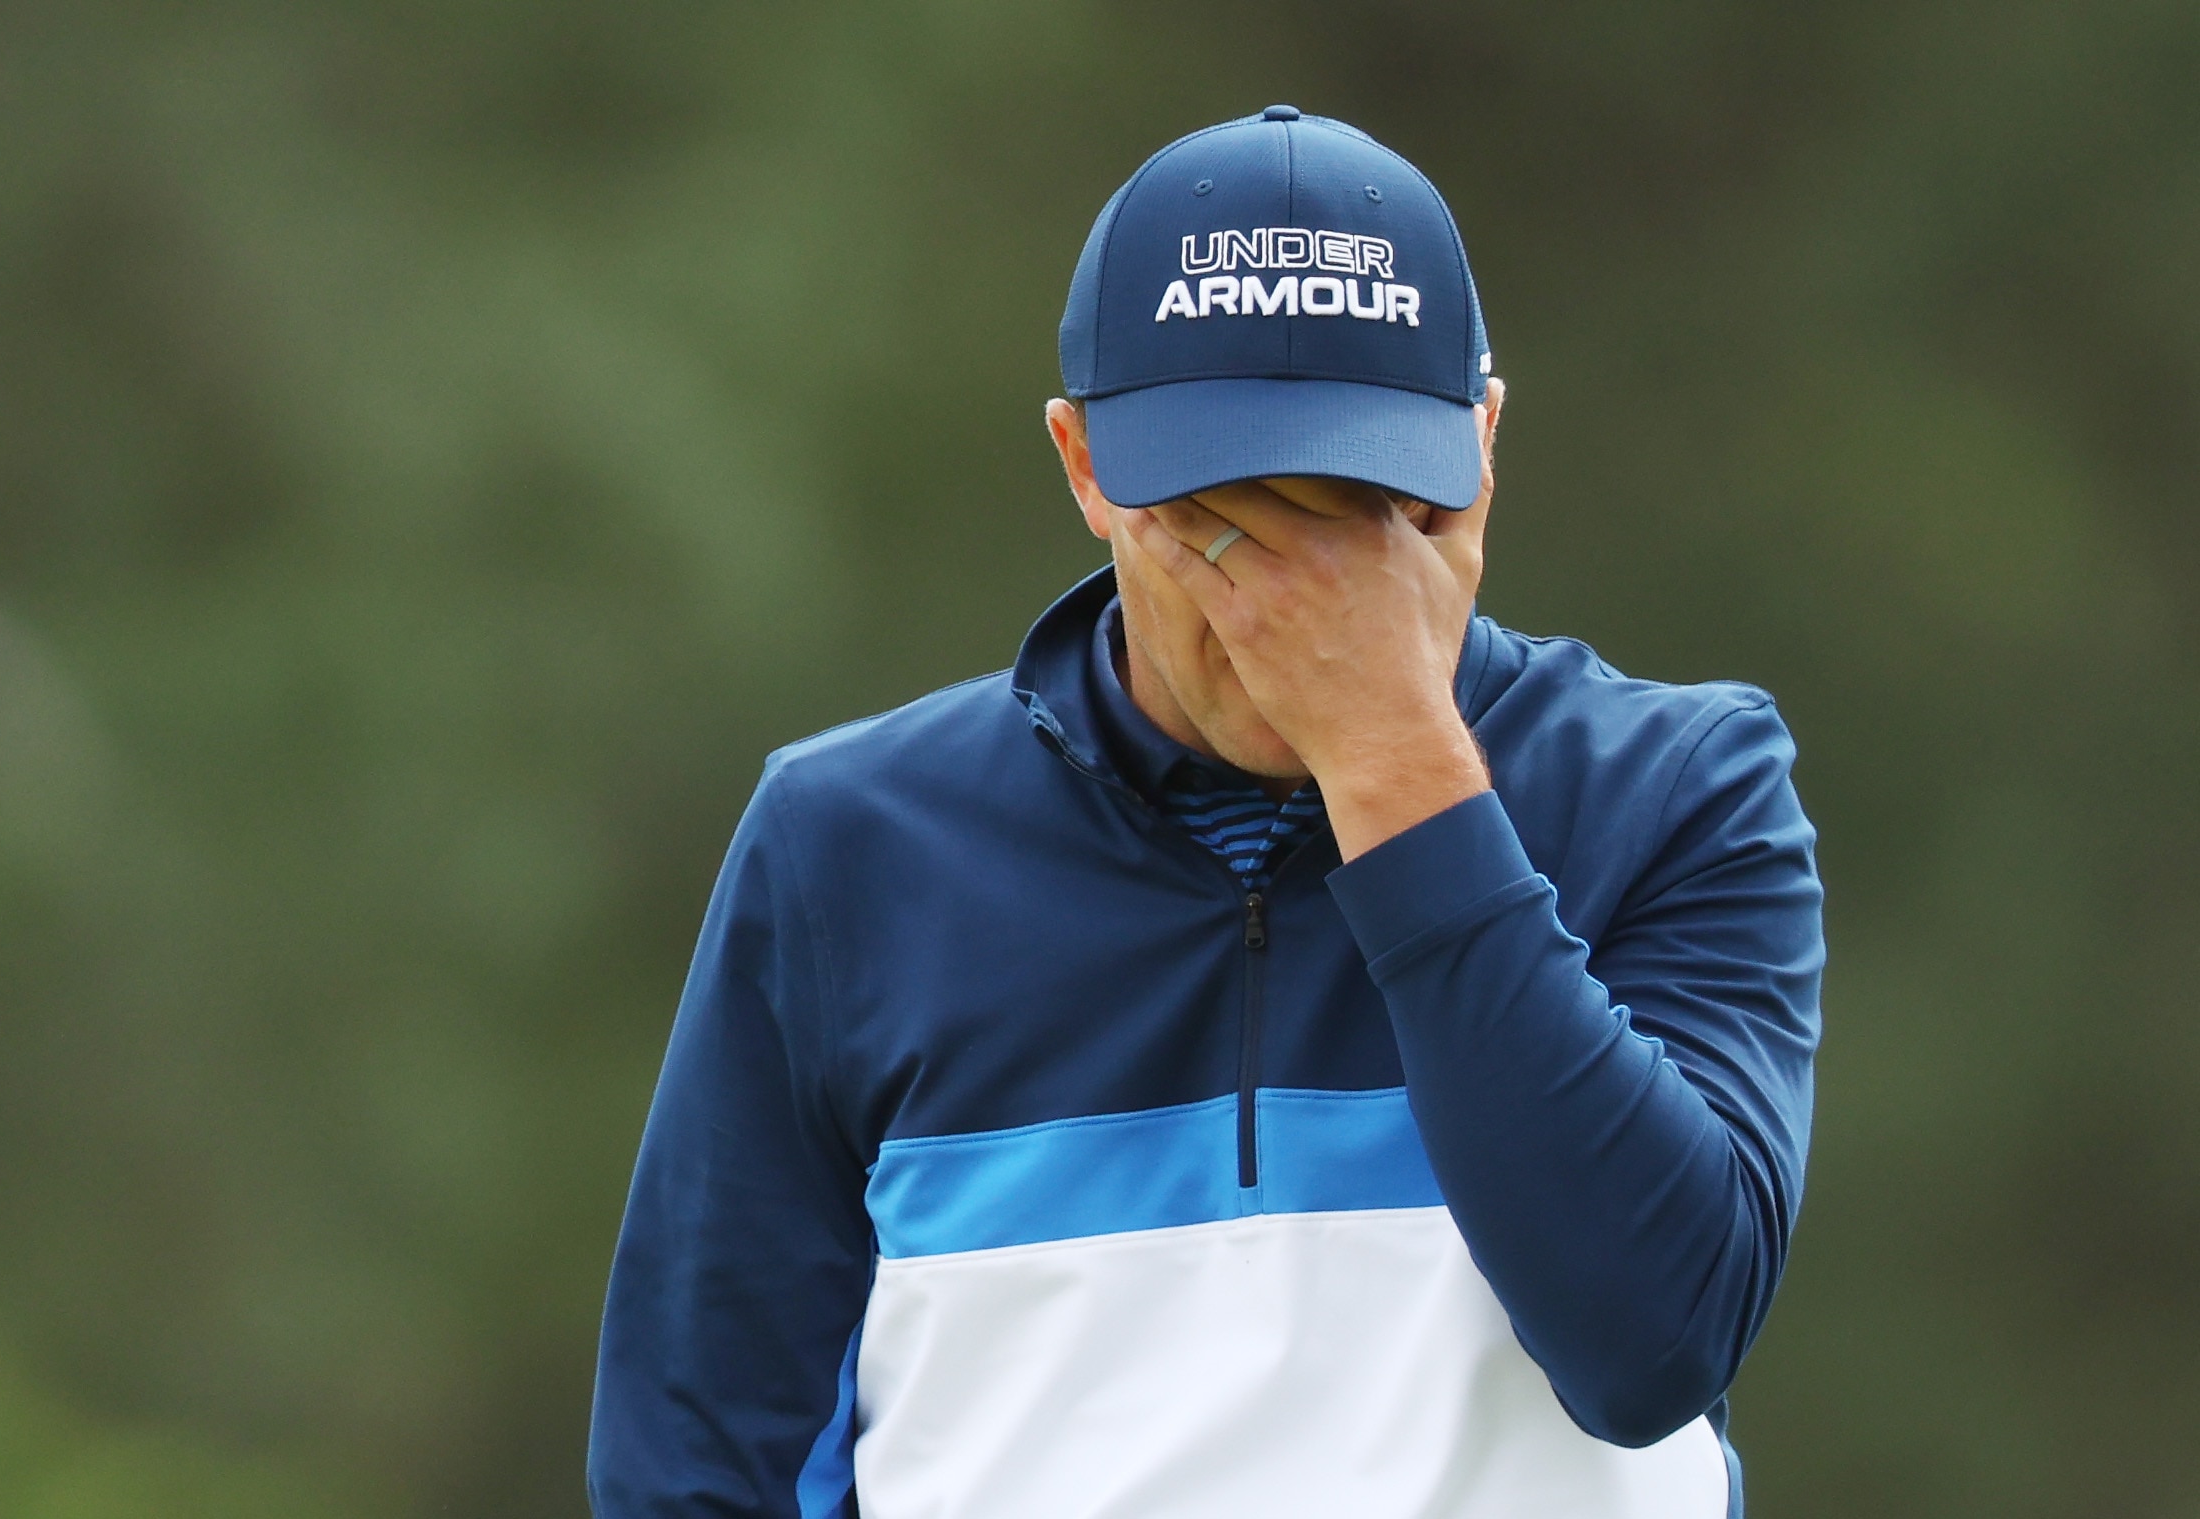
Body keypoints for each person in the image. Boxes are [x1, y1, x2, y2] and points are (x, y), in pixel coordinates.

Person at [588, 106, 1823, 1519]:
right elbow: (701, 1465)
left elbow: (1651, 1345)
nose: (1294, 613)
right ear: (1084, 467)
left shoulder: (1677, 786)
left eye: (1365, 513)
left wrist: (1395, 761)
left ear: (1480, 454)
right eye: (1227, 519)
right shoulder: (845, 841)